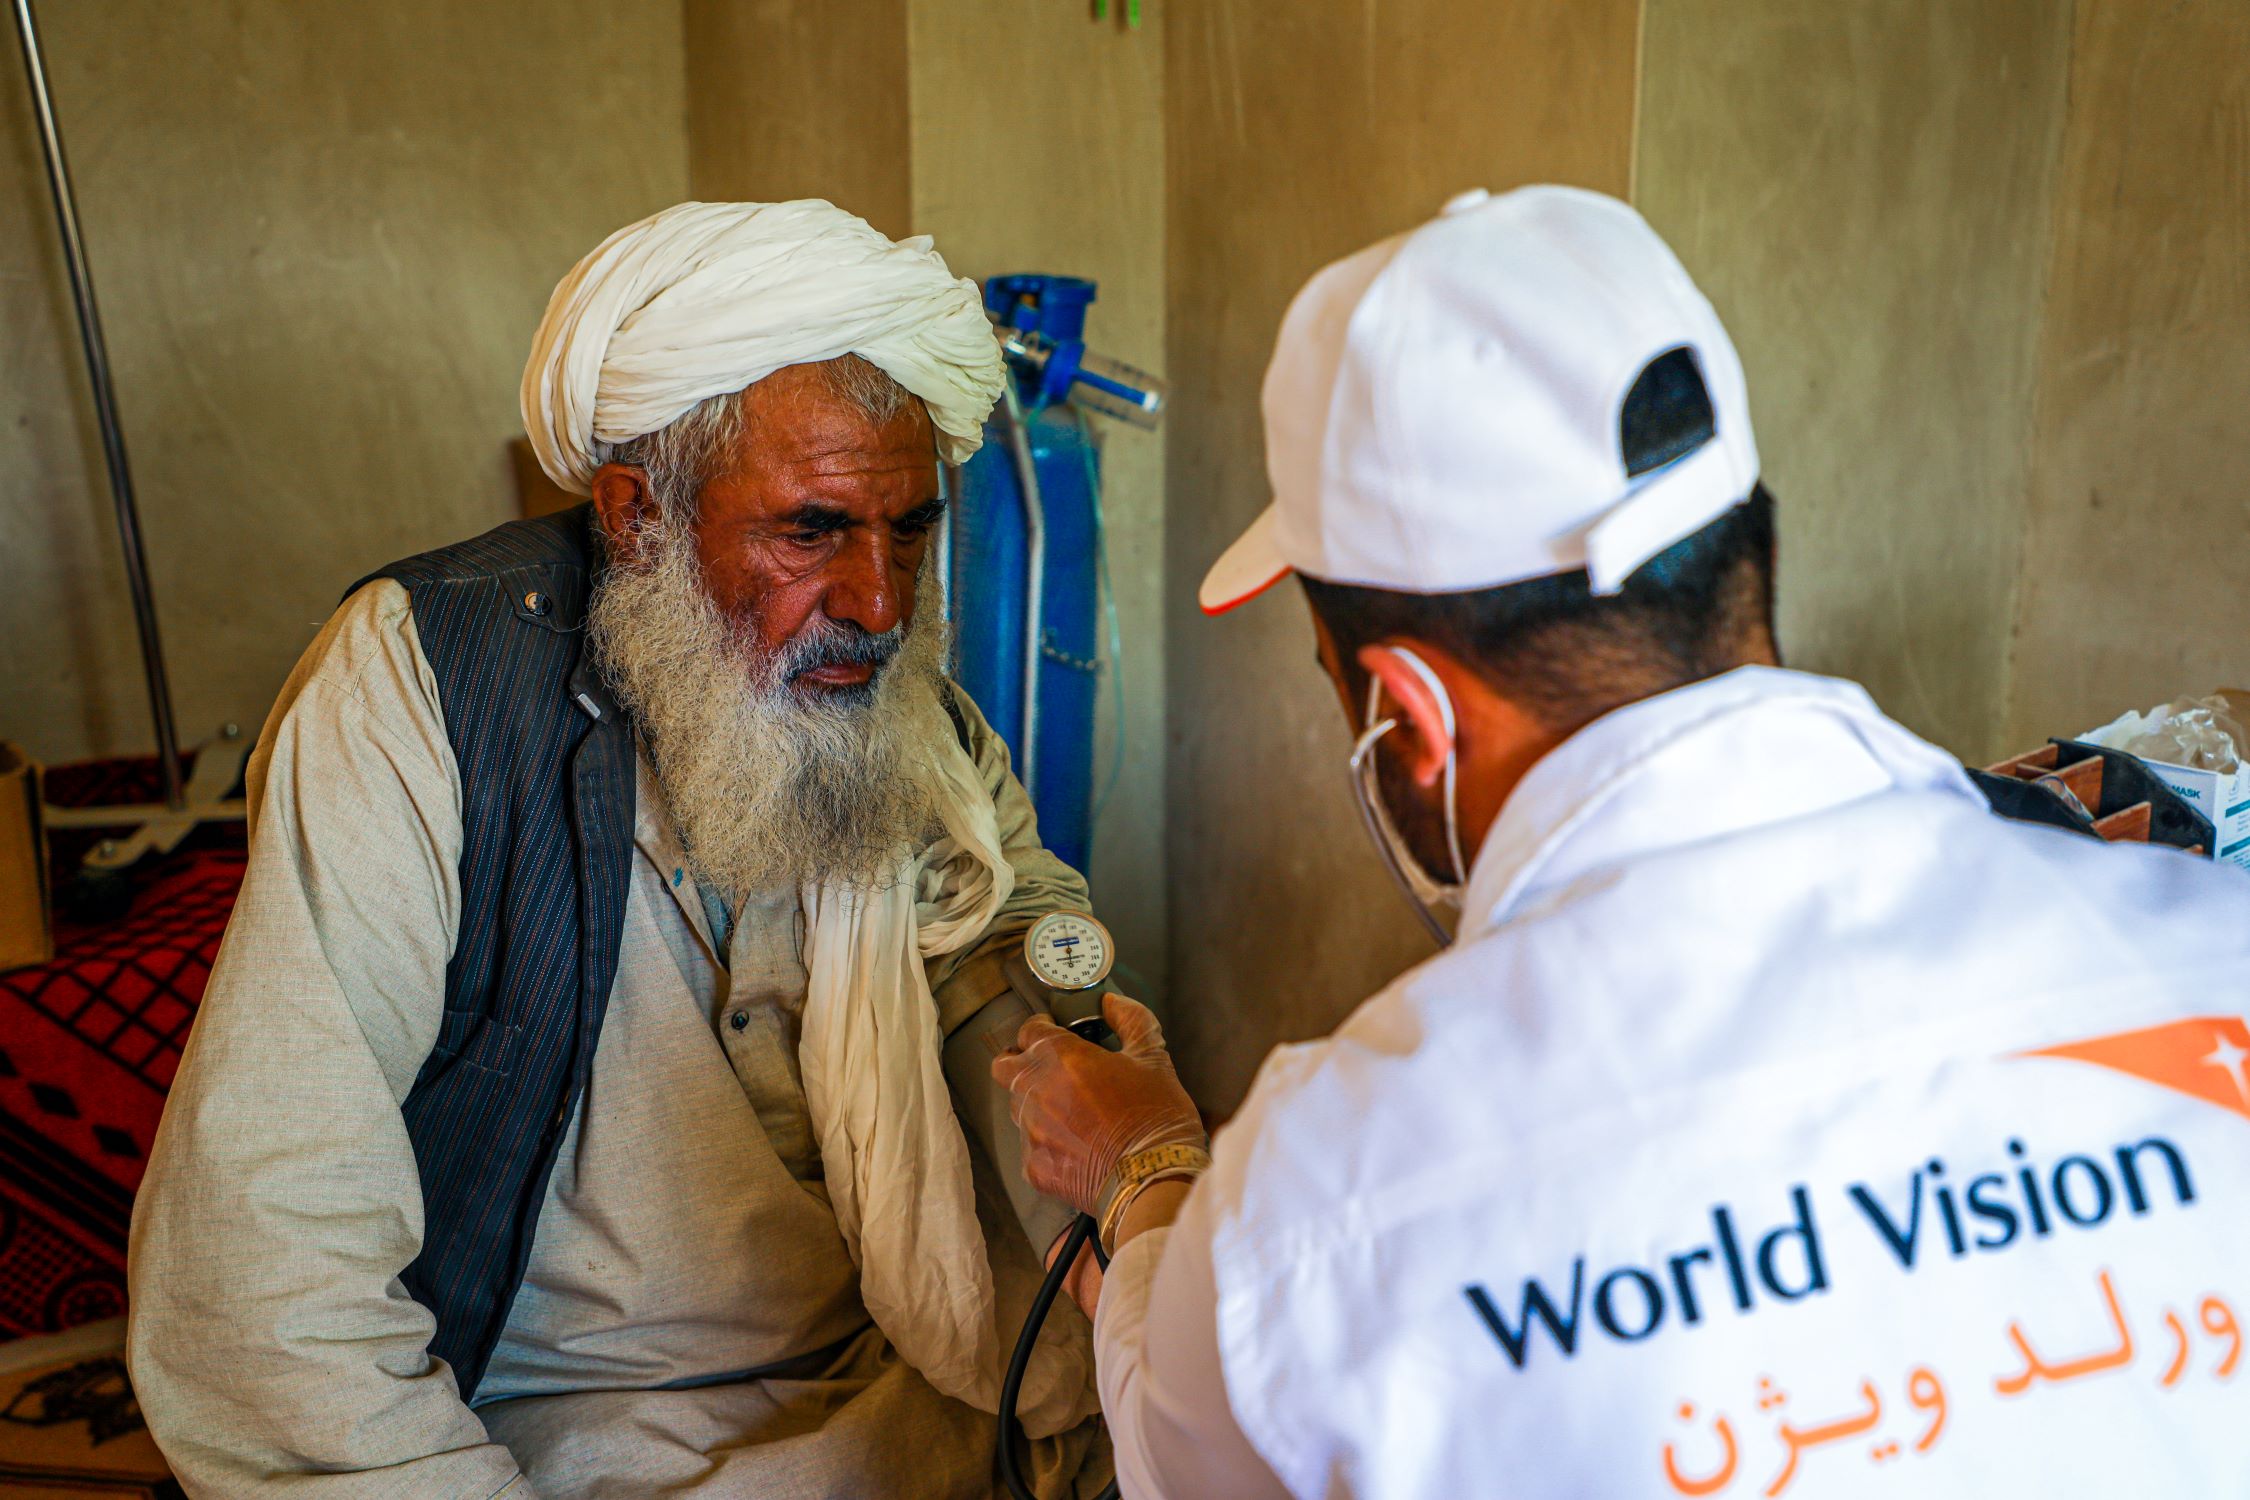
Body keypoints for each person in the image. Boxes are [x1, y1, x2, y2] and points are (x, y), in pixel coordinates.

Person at [994, 184, 2250, 1497]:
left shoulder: (1323, 1201)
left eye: (1332, 683)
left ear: (1407, 717)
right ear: (1736, 561)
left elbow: (1186, 1458)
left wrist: (1148, 1177)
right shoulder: (2206, 950)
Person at [128, 200, 1111, 1498]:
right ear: (639, 515)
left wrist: (1072, 1042)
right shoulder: (416, 685)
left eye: (910, 531)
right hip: (542, 1423)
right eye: (809, 531)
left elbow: (1012, 940)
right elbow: (269, 1248)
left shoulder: (897, 717)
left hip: (894, 1382)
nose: (879, 603)